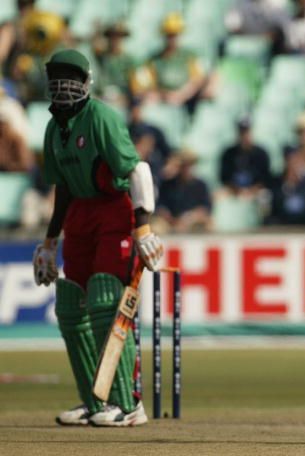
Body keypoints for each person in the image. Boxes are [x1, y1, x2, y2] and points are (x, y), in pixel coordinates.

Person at [32, 49, 164, 427]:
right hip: (80, 216)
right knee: (71, 306)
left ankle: (129, 404)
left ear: (86, 82)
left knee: (107, 300)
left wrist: (142, 227)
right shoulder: (52, 128)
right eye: (57, 78)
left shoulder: (102, 117)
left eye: (71, 77)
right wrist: (49, 241)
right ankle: (95, 401)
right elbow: (62, 189)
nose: (63, 85)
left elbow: (137, 170)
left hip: (114, 209)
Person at [156, 150, 212, 233]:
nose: (187, 168)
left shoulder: (201, 185)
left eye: (190, 165)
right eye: (184, 165)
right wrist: (171, 219)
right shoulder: (167, 184)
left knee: (210, 225)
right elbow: (160, 207)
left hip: (194, 222)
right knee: (157, 227)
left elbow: (206, 208)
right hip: (171, 222)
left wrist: (190, 217)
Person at [220, 117, 271, 195]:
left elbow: (265, 180)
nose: (244, 136)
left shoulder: (261, 154)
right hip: (234, 192)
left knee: (264, 195)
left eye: (247, 132)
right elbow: (224, 179)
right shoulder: (229, 154)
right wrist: (238, 191)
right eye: (242, 133)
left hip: (255, 192)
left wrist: (251, 191)